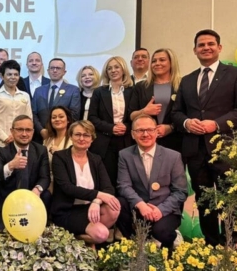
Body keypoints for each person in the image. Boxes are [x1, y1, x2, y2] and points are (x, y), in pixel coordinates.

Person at [172, 29, 237, 246]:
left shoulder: (235, 74)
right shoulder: (187, 80)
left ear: (219, 47)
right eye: (201, 45)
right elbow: (176, 113)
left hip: (224, 149)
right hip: (195, 151)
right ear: (195, 50)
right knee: (204, 200)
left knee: (229, 199)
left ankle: (229, 246)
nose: (206, 48)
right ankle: (211, 246)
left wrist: (216, 124)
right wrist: (187, 123)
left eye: (210, 44)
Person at [116, 115, 187, 248]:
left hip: (165, 209)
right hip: (139, 208)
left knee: (161, 232)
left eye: (149, 130)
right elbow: (123, 186)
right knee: (118, 203)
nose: (145, 134)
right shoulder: (124, 155)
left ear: (156, 132)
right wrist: (140, 204)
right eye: (140, 130)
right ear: (132, 134)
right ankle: (137, 243)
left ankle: (172, 239)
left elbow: (180, 192)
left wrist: (161, 210)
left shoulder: (173, 156)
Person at [50, 120, 121, 244]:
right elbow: (67, 188)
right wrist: (98, 194)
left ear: (92, 139)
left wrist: (96, 201)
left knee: (114, 207)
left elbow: (108, 188)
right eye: (77, 134)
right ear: (70, 136)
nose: (81, 138)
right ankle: (77, 239)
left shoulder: (96, 159)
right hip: (67, 211)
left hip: (90, 208)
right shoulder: (60, 157)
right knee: (102, 234)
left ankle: (89, 235)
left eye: (86, 135)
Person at [0, 115, 50, 231]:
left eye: (28, 130)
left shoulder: (41, 150)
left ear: (33, 132)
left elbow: (45, 177)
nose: (24, 134)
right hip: (7, 202)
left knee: (45, 195)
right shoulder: (1, 152)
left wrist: (36, 190)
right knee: (5, 235)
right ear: (12, 131)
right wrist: (10, 166)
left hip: (31, 202)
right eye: (20, 129)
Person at [88, 56, 134, 186]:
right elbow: (92, 117)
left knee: (127, 178)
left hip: (126, 140)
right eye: (109, 68)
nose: (113, 70)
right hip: (105, 141)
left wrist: (126, 126)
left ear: (123, 69)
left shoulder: (132, 91)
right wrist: (111, 128)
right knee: (108, 179)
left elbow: (136, 115)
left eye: (116, 67)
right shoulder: (99, 92)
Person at [129, 48, 182, 153]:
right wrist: (144, 111)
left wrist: (171, 128)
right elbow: (131, 116)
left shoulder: (182, 85)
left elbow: (188, 114)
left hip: (175, 141)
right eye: (154, 61)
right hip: (145, 141)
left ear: (171, 63)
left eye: (162, 60)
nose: (157, 63)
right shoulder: (141, 87)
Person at [0, 60, 32, 149]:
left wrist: (19, 137)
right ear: (2, 76)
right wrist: (5, 138)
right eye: (9, 74)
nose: (13, 77)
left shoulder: (25, 96)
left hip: (21, 142)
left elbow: (29, 119)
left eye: (16, 74)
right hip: (0, 143)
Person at [32, 58, 81, 140]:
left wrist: (60, 131)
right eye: (52, 68)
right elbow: (33, 113)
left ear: (64, 72)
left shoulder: (73, 90)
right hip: (41, 136)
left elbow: (74, 115)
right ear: (48, 71)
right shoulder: (38, 91)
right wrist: (41, 130)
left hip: (63, 136)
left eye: (58, 68)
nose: (54, 70)